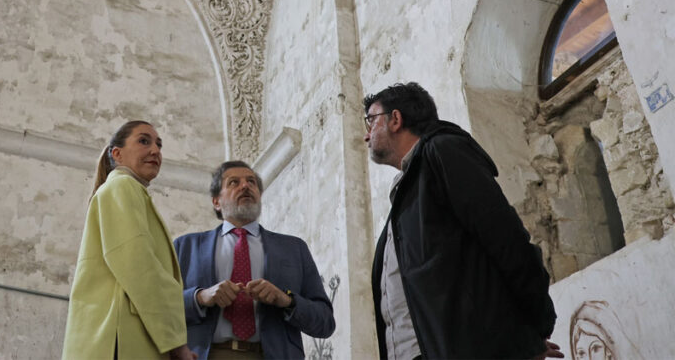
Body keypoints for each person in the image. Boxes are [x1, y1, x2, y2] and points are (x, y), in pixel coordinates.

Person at [365, 82, 564, 360]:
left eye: (371, 121)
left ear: (395, 119)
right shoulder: (404, 199)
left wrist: (531, 331)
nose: (367, 136)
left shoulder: (442, 151)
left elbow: (505, 239)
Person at [62, 121, 196, 360]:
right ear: (117, 153)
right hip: (121, 339)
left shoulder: (126, 191)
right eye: (144, 141)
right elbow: (140, 268)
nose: (155, 150)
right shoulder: (122, 186)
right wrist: (176, 343)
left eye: (159, 144)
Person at [174, 161, 335, 359]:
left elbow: (325, 323)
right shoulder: (186, 247)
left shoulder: (294, 249)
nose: (245, 186)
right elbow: (160, 311)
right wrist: (200, 297)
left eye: (251, 182)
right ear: (216, 201)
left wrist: (285, 300)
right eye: (234, 182)